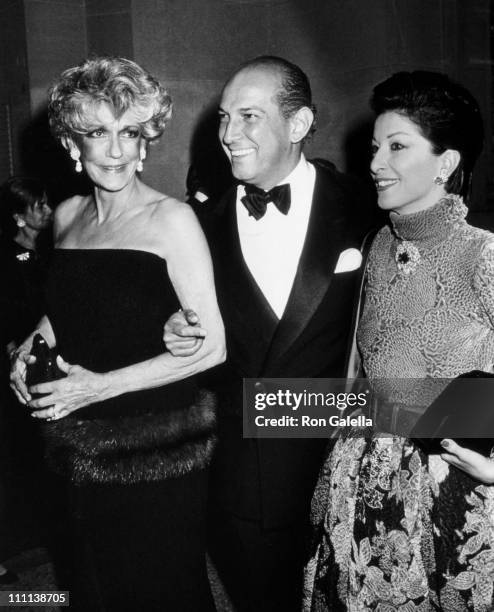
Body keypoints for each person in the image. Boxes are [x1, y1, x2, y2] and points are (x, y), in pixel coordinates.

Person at [10, 56, 225, 611]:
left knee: (158, 589)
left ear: (146, 140)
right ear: (70, 144)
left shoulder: (171, 220)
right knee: (93, 585)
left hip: (157, 451)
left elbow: (213, 346)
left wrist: (99, 386)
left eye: (129, 132)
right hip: (77, 445)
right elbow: (69, 306)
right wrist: (34, 342)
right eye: (96, 133)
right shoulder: (67, 216)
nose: (115, 150)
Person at [164, 55, 377, 611]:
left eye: (250, 116)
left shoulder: (370, 208)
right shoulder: (194, 226)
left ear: (300, 125)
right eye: (224, 117)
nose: (229, 134)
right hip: (239, 487)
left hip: (343, 475)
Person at [304, 71, 494, 611]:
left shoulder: (481, 254)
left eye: (397, 147)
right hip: (361, 478)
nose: (374, 163)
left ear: (447, 163)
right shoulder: (376, 245)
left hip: (450, 488)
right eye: (374, 147)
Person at [0, 177, 53, 585]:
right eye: (38, 205)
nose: (47, 210)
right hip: (15, 371)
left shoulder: (54, 251)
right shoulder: (6, 259)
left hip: (51, 366)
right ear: (19, 216)